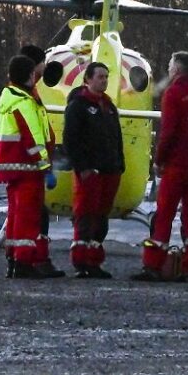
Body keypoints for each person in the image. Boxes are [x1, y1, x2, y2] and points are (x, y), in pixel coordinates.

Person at [134, 51, 188, 283]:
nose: (169, 70)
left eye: (171, 66)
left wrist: (159, 160)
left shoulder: (173, 94)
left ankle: (153, 264)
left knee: (164, 216)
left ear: (177, 70)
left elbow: (168, 132)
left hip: (176, 166)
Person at [0, 50, 62, 279]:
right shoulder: (23, 102)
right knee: (28, 215)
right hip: (27, 169)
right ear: (30, 75)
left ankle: (14, 258)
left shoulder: (10, 98)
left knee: (16, 214)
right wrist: (46, 167)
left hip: (13, 168)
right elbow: (33, 138)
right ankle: (24, 261)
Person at [62, 61, 124, 278]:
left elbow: (116, 137)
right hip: (90, 171)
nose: (104, 80)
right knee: (86, 215)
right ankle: (81, 261)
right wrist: (83, 167)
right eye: (100, 76)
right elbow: (70, 139)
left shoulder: (108, 106)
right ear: (87, 79)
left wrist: (119, 165)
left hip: (110, 170)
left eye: (106, 76)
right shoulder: (78, 106)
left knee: (101, 217)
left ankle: (94, 260)